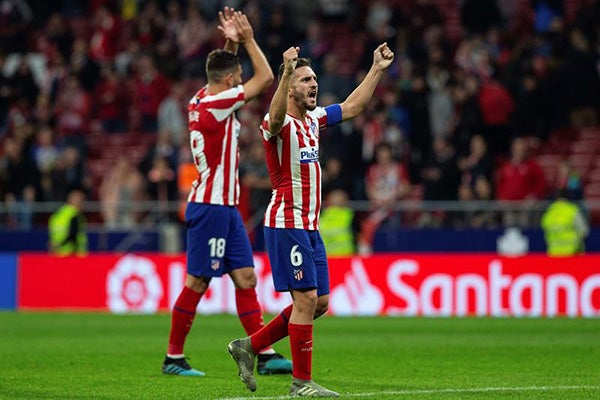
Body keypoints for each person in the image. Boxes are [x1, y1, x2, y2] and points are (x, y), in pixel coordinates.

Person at [228, 43, 394, 397]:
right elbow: (273, 119)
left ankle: (249, 346)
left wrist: (377, 67)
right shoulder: (278, 123)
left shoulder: (314, 119)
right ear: (290, 88)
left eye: (314, 78)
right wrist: (286, 71)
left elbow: (353, 106)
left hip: (309, 226)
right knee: (304, 301)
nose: (313, 84)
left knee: (319, 303)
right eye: (305, 80)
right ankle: (301, 384)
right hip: (286, 223)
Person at [162, 8, 292, 377]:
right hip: (210, 206)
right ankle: (173, 358)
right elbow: (266, 78)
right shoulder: (219, 104)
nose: (240, 81)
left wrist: (231, 40)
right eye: (237, 78)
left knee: (246, 278)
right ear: (232, 81)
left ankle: (262, 353)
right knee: (198, 281)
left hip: (226, 208)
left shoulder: (202, 97)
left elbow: (224, 69)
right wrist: (249, 38)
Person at [541, 189, 589, 256]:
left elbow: (544, 227)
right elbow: (584, 231)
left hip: (554, 253)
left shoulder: (549, 212)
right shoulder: (572, 211)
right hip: (572, 252)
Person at [48, 189, 87, 256]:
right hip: (73, 255)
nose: (83, 204)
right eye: (81, 201)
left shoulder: (57, 215)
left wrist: (55, 246)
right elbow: (72, 236)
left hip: (57, 254)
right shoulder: (74, 215)